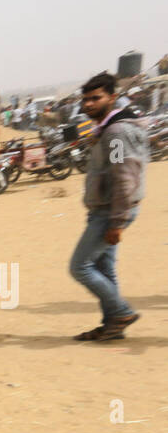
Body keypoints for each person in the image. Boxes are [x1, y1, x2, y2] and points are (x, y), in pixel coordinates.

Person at [71, 72, 149, 342]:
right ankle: (111, 325)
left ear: (112, 97)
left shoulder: (116, 132)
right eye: (86, 100)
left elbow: (124, 176)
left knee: (79, 267)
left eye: (96, 98)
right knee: (104, 268)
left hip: (109, 213)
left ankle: (121, 312)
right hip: (106, 210)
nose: (89, 104)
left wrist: (117, 222)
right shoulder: (108, 128)